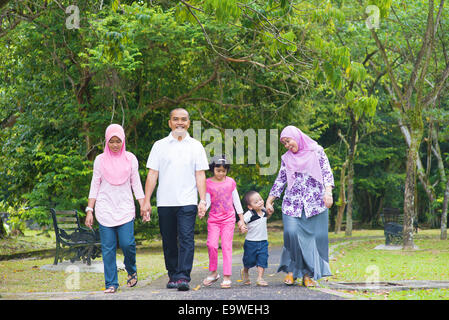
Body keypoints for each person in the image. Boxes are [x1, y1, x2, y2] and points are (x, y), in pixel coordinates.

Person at [141, 108, 209, 291]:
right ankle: (173, 275)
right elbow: (152, 174)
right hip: (165, 202)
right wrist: (146, 200)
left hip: (187, 201)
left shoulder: (196, 146)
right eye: (176, 119)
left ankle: (183, 276)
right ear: (170, 122)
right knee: (169, 240)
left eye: (184, 119)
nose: (180, 122)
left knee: (187, 238)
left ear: (188, 122)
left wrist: (202, 200)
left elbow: (200, 175)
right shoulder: (159, 145)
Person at [266, 125, 334, 287]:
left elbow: (326, 173)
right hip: (292, 203)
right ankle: (291, 269)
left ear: (296, 137)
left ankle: (306, 274)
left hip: (314, 203)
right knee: (291, 233)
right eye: (284, 143)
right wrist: (270, 200)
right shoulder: (286, 158)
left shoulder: (316, 151)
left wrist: (328, 192)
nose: (287, 145)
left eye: (288, 141)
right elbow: (281, 180)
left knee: (310, 239)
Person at [85, 124, 147, 294]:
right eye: (111, 141)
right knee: (108, 248)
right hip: (105, 208)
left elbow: (136, 184)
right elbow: (94, 185)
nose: (114, 145)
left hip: (125, 207)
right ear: (106, 141)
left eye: (118, 141)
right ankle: (111, 283)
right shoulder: (100, 160)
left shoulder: (130, 159)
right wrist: (90, 209)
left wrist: (143, 205)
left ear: (123, 141)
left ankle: (131, 269)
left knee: (128, 244)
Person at [201, 155, 244, 289]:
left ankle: (227, 277)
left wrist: (241, 219)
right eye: (218, 170)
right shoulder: (208, 183)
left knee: (226, 246)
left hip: (228, 219)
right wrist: (202, 209)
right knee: (211, 245)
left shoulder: (230, 182)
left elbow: (236, 201)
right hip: (214, 219)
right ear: (212, 169)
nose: (221, 173)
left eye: (223, 171)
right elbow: (207, 201)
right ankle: (213, 273)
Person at [240, 190, 272, 287]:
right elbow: (242, 221)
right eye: (256, 202)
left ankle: (260, 278)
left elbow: (266, 218)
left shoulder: (264, 211)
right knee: (248, 261)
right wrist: (242, 226)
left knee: (262, 259)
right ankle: (245, 271)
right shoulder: (249, 214)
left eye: (261, 199)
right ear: (250, 206)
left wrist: (270, 212)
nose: (260, 202)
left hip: (263, 241)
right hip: (251, 242)